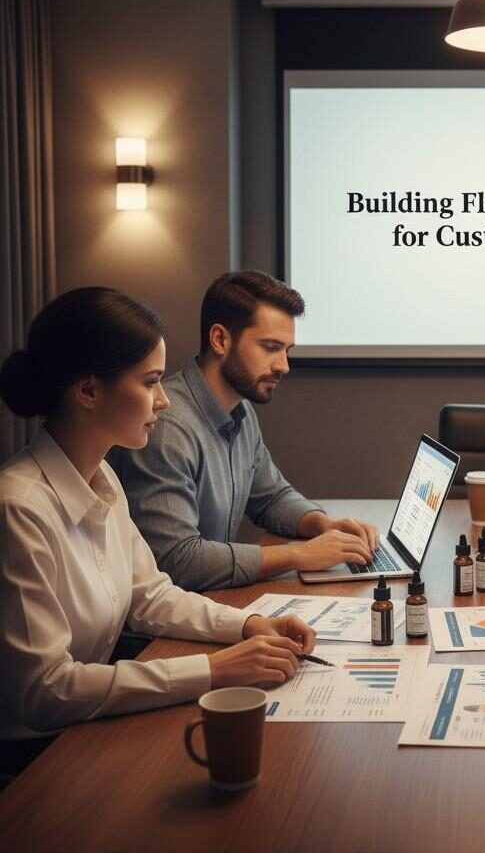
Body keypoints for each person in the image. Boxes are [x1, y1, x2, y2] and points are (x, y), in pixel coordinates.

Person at [0, 288, 315, 770]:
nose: (165, 400)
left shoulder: (100, 475)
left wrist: (249, 625)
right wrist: (212, 669)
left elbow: (149, 595)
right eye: (149, 382)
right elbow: (46, 692)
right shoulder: (17, 508)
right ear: (87, 391)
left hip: (86, 726)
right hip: (33, 754)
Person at [111, 271, 379, 592]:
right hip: (159, 631)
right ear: (220, 340)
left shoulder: (240, 409)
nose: (283, 365)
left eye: (287, 350)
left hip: (207, 603)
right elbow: (177, 561)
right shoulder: (167, 426)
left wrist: (323, 524)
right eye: (270, 347)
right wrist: (299, 554)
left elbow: (271, 497)